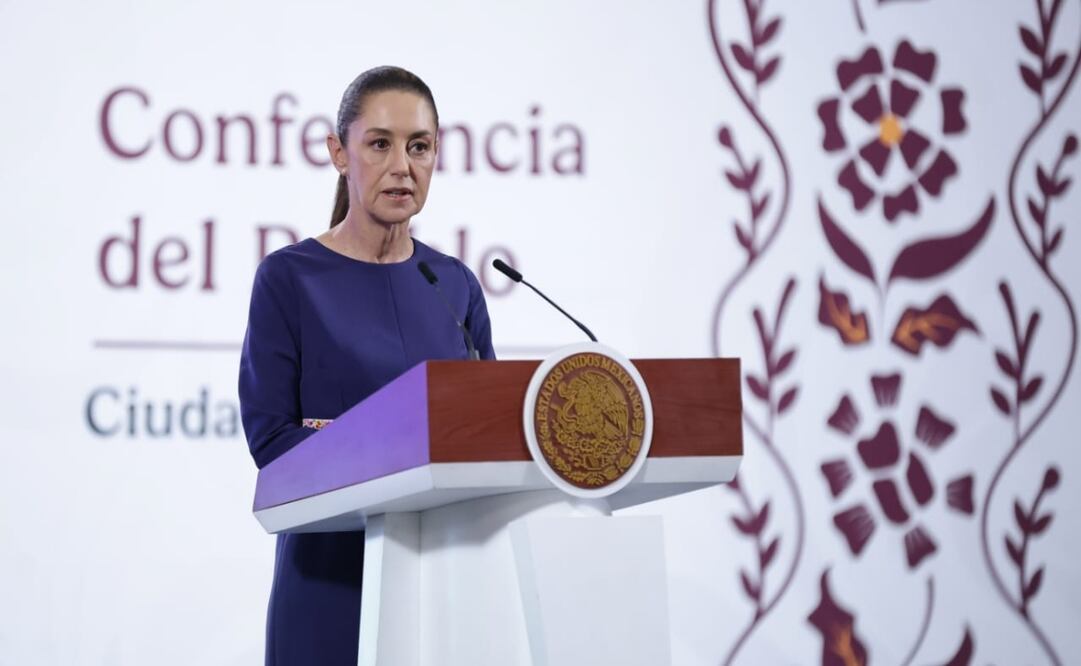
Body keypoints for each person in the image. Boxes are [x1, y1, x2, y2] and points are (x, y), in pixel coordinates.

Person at [238, 66, 496, 665]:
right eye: (380, 144)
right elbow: (272, 439)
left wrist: (339, 432)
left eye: (420, 146)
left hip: (445, 585)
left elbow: (488, 440)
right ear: (339, 153)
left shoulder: (453, 285)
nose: (402, 165)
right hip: (331, 578)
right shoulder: (290, 278)